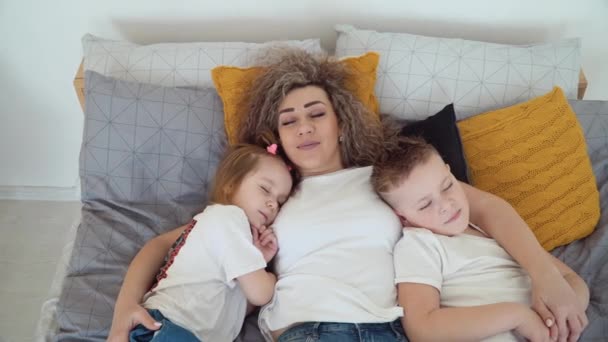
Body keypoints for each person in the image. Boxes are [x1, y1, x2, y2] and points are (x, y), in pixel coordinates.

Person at [108, 49, 588, 342]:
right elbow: (163, 246)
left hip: (392, 330)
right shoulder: (266, 199)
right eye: (289, 120)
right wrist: (123, 312)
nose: (305, 127)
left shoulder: (385, 177)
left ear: (340, 120)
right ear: (275, 135)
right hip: (308, 329)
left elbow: (487, 206)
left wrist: (544, 274)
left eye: (316, 112)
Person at [370, 136, 590, 342]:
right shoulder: (420, 244)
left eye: (447, 186)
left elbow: (570, 279)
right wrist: (518, 317)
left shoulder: (493, 231)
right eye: (425, 204)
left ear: (452, 174)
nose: (447, 205)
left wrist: (564, 318)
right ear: (403, 218)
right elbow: (421, 327)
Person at [123, 143, 293, 341]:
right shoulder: (229, 218)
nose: (273, 203)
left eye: (280, 201)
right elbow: (261, 294)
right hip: (169, 326)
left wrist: (257, 260)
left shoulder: (224, 232)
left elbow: (238, 309)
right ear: (231, 185)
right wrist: (271, 278)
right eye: (265, 189)